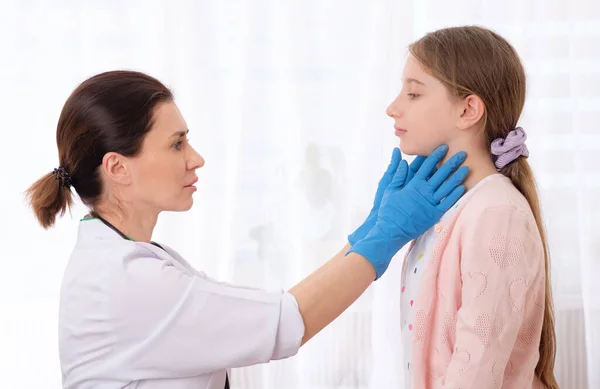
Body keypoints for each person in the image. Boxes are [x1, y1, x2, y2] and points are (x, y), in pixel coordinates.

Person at [25, 70, 469, 389]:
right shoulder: (125, 281)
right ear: (118, 167)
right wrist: (386, 233)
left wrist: (371, 230)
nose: (195, 158)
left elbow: (271, 311)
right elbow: (287, 320)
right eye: (177, 143)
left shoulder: (131, 261)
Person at [385, 26, 559, 388]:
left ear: (468, 109)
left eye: (413, 93)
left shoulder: (497, 215)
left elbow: (477, 371)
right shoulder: (450, 211)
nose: (393, 107)